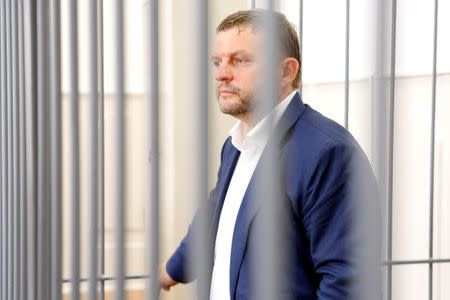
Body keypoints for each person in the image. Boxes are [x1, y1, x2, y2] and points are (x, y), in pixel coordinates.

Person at [160, 9, 380, 299]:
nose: (222, 74)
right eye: (217, 62)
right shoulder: (236, 143)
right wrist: (175, 268)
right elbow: (218, 209)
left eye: (240, 60)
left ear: (286, 71)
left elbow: (347, 284)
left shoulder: (328, 152)